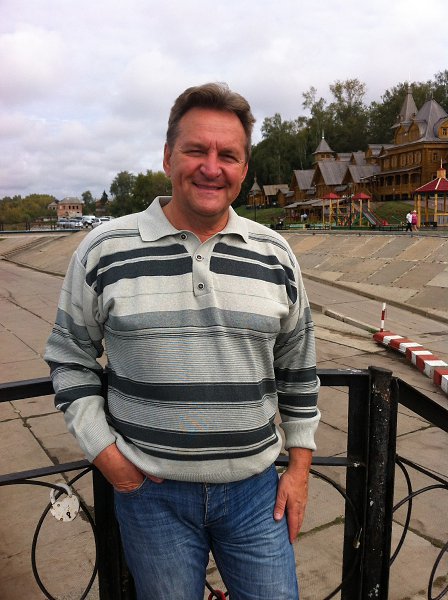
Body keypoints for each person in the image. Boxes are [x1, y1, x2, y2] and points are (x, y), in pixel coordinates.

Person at [45, 82, 320, 600]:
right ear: (168, 155)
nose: (211, 167)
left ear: (244, 168)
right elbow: (70, 357)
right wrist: (108, 457)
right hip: (152, 496)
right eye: (196, 150)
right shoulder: (104, 249)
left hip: (257, 496)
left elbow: (298, 369)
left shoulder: (276, 255)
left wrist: (300, 469)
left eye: (228, 155)